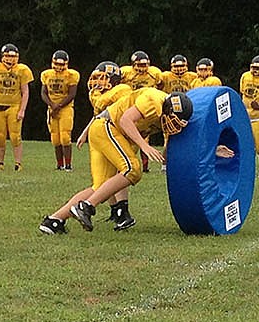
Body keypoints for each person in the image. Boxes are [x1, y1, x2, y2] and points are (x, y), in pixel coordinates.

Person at [41, 88, 194, 233]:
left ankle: (54, 221)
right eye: (173, 121)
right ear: (166, 109)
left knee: (100, 188)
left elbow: (173, 149)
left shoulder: (168, 114)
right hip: (108, 127)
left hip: (105, 130)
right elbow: (125, 120)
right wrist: (144, 146)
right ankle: (86, 207)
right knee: (132, 169)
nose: (173, 127)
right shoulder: (154, 101)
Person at [40, 61, 134, 235]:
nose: (97, 82)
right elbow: (105, 115)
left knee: (105, 183)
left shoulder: (118, 92)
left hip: (103, 134)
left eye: (101, 78)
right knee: (125, 173)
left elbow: (102, 114)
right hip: (110, 135)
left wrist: (85, 132)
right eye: (95, 78)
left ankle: (55, 220)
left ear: (113, 79)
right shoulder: (114, 92)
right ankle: (118, 211)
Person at [0, 43, 34, 171]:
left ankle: (18, 163)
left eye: (13, 56)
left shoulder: (22, 70)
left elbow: (25, 91)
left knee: (15, 136)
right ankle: (0, 163)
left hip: (14, 106)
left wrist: (22, 109)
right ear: (2, 56)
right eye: (8, 56)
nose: (10, 59)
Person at [120, 50, 163, 172]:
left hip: (146, 106)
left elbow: (160, 85)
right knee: (128, 136)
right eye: (140, 65)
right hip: (130, 105)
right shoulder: (126, 73)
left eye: (145, 65)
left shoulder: (154, 73)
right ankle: (125, 162)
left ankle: (144, 167)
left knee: (145, 136)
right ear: (133, 64)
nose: (143, 68)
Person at [40, 50, 80, 171]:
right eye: (57, 64)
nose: (59, 67)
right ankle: (59, 164)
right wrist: (52, 105)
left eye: (62, 64)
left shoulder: (71, 75)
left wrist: (59, 106)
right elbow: (43, 92)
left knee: (65, 137)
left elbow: (72, 94)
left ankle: (68, 165)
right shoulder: (46, 75)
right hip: (52, 108)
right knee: (55, 139)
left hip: (66, 108)